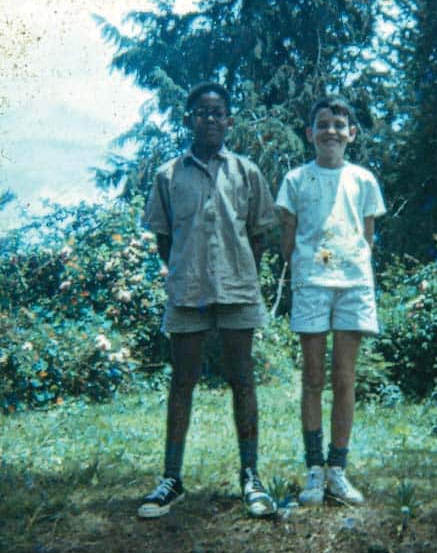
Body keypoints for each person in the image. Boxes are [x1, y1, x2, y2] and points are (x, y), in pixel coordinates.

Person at [139, 82, 278, 519]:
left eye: (218, 113)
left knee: (242, 378)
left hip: (237, 289)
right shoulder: (168, 175)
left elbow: (257, 235)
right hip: (188, 292)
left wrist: (237, 271)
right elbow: (165, 240)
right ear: (188, 119)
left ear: (229, 121)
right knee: (183, 382)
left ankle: (251, 475)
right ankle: (171, 478)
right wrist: (190, 269)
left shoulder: (246, 172)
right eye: (202, 113)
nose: (210, 120)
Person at [276, 96, 386, 506]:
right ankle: (313, 470)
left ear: (351, 134)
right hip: (311, 283)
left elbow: (367, 235)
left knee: (344, 379)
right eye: (323, 124)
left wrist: (349, 268)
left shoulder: (364, 180)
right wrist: (306, 270)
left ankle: (338, 470)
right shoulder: (295, 180)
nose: (331, 132)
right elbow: (288, 237)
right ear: (310, 133)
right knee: (313, 379)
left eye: (339, 125)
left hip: (354, 284)